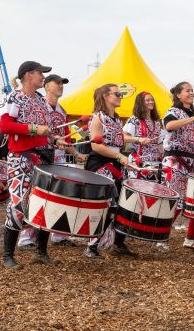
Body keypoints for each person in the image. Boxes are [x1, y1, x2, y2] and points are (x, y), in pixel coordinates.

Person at [0, 61, 65, 268]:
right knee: (18, 205)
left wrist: (55, 139)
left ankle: (41, 251)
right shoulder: (14, 97)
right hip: (21, 158)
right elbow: (5, 125)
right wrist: (35, 129)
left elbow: (46, 130)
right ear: (28, 75)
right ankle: (7, 255)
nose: (43, 76)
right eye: (39, 73)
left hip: (44, 157)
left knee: (47, 204)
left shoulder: (41, 100)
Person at [18, 74, 88, 248]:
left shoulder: (62, 110)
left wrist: (76, 152)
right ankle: (26, 238)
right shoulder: (40, 106)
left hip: (58, 158)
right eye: (57, 83)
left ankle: (57, 235)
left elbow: (64, 138)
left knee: (58, 197)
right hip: (40, 156)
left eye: (63, 83)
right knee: (35, 196)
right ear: (47, 86)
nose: (61, 86)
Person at [83, 84, 140, 258]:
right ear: (106, 96)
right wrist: (119, 156)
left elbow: (119, 142)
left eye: (121, 94)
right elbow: (95, 146)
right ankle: (91, 246)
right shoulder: (98, 118)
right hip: (101, 164)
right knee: (107, 205)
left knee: (125, 204)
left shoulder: (116, 119)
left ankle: (118, 243)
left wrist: (126, 155)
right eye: (117, 93)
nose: (120, 96)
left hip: (115, 163)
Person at [161, 82, 194, 250]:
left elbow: (193, 141)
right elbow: (169, 126)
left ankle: (190, 239)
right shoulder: (173, 112)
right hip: (174, 161)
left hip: (191, 162)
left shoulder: (191, 116)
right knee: (175, 202)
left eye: (192, 90)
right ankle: (161, 239)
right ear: (178, 95)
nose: (191, 93)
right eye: (187, 90)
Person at [123, 91, 161, 180]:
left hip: (154, 165)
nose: (151, 102)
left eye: (152, 100)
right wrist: (138, 139)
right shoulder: (134, 119)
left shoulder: (156, 121)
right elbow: (123, 137)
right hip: (138, 164)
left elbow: (159, 144)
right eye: (147, 100)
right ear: (141, 103)